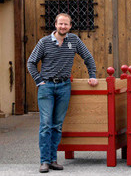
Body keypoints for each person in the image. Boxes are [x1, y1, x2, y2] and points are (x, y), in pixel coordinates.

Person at [27, 13, 98, 173]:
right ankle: (44, 161)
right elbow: (31, 62)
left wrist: (92, 76)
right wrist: (39, 81)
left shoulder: (74, 40)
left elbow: (88, 58)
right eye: (60, 24)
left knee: (57, 126)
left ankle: (53, 160)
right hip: (46, 87)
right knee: (46, 125)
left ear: (70, 26)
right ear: (55, 24)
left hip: (64, 86)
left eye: (66, 24)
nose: (63, 27)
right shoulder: (44, 42)